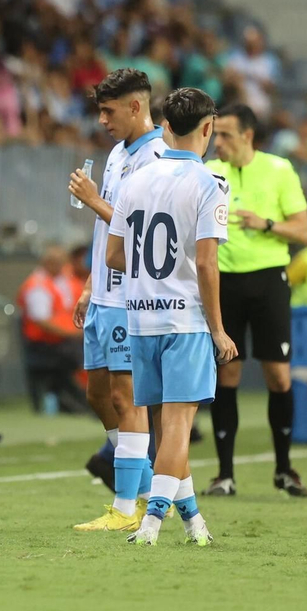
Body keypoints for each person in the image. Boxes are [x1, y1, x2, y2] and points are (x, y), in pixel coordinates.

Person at [106, 86, 231, 546]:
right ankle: (152, 523)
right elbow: (205, 263)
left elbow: (115, 255)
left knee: (165, 424)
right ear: (208, 127)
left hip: (140, 318)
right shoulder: (210, 184)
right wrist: (217, 328)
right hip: (185, 321)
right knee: (179, 424)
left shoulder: (133, 180)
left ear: (164, 127)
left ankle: (194, 522)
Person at [67, 68, 166, 531]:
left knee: (128, 399)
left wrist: (93, 200)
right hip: (104, 292)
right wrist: (90, 283)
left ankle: (125, 508)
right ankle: (145, 488)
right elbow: (107, 230)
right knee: (98, 393)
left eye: (109, 111)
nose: (102, 120)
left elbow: (141, 231)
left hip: (132, 296)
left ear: (136, 106)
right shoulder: (115, 154)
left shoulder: (158, 159)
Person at [206, 102, 307, 498]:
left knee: (279, 376)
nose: (218, 142)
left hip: (269, 280)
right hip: (224, 282)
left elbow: (303, 232)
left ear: (247, 136)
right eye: (215, 134)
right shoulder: (209, 171)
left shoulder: (279, 169)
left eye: (226, 135)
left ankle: (284, 469)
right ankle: (225, 474)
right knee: (226, 374)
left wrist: (265, 223)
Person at [17, 244, 83, 414]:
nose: (64, 267)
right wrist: (74, 334)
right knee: (80, 354)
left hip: (63, 341)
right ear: (50, 263)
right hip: (46, 343)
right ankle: (79, 403)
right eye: (61, 263)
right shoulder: (38, 285)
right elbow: (41, 320)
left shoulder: (60, 281)